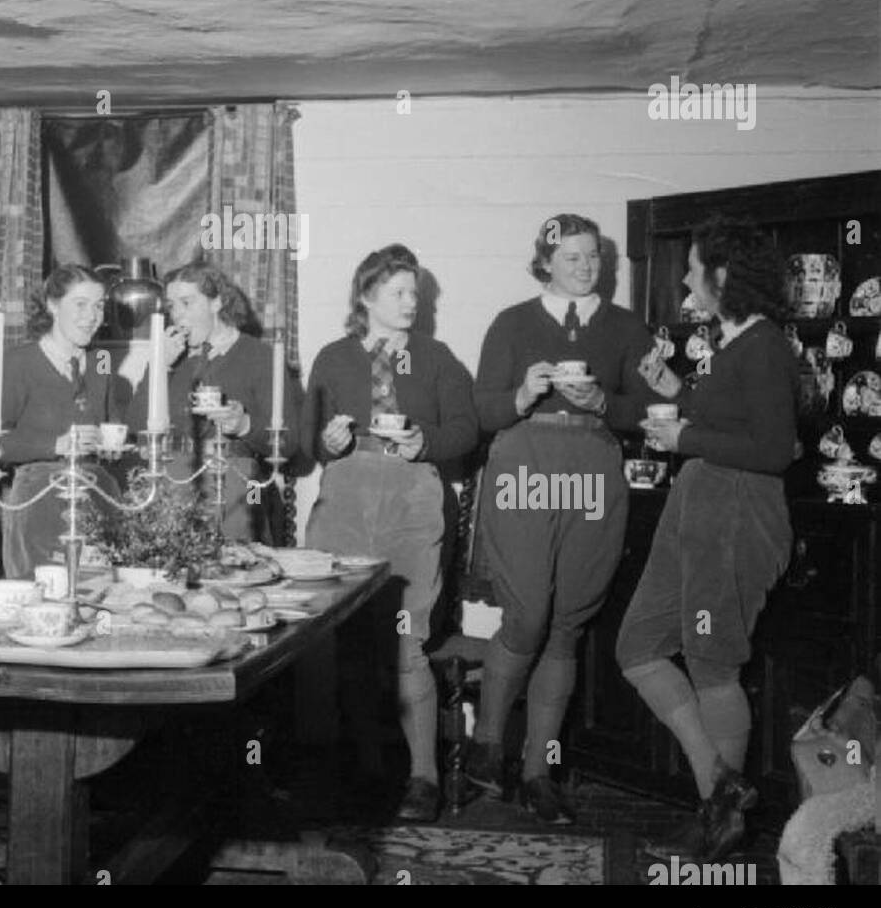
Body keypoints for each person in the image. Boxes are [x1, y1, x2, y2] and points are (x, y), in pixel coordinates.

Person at [466, 214, 659, 823]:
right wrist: (523, 395)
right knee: (527, 613)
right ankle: (488, 744)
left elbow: (655, 407)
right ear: (545, 261)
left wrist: (604, 401)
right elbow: (484, 408)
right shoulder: (511, 322)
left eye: (592, 256)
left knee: (569, 622)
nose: (584, 265)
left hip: (595, 465)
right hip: (524, 460)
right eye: (571, 257)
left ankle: (539, 771)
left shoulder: (628, 327)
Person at [618, 216, 798, 862]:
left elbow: (776, 450)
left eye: (695, 266)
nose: (689, 277)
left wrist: (683, 439)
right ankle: (726, 786)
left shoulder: (767, 345)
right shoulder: (737, 340)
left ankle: (717, 818)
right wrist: (678, 393)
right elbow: (734, 417)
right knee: (637, 646)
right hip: (698, 504)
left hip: (736, 513)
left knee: (712, 662)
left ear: (723, 274)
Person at [300, 243, 478, 821]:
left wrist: (422, 440)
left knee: (406, 640)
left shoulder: (437, 357)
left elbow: (465, 433)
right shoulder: (333, 358)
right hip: (347, 496)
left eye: (416, 294)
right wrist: (325, 443)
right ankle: (355, 772)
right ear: (366, 296)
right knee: (337, 636)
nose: (410, 303)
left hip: (412, 497)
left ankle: (422, 779)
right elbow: (306, 439)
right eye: (399, 292)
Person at [126, 262, 300, 543]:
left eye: (187, 303)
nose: (177, 315)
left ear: (217, 302)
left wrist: (244, 425)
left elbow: (289, 443)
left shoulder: (259, 356)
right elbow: (134, 425)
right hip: (173, 481)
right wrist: (159, 366)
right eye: (172, 306)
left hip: (235, 482)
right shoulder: (171, 357)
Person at [0, 264, 123, 576]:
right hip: (38, 501)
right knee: (41, 596)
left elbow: (115, 429)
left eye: (98, 306)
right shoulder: (17, 362)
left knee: (97, 593)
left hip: (98, 497)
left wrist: (110, 441)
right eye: (80, 304)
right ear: (53, 305)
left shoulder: (101, 361)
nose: (92, 316)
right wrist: (56, 443)